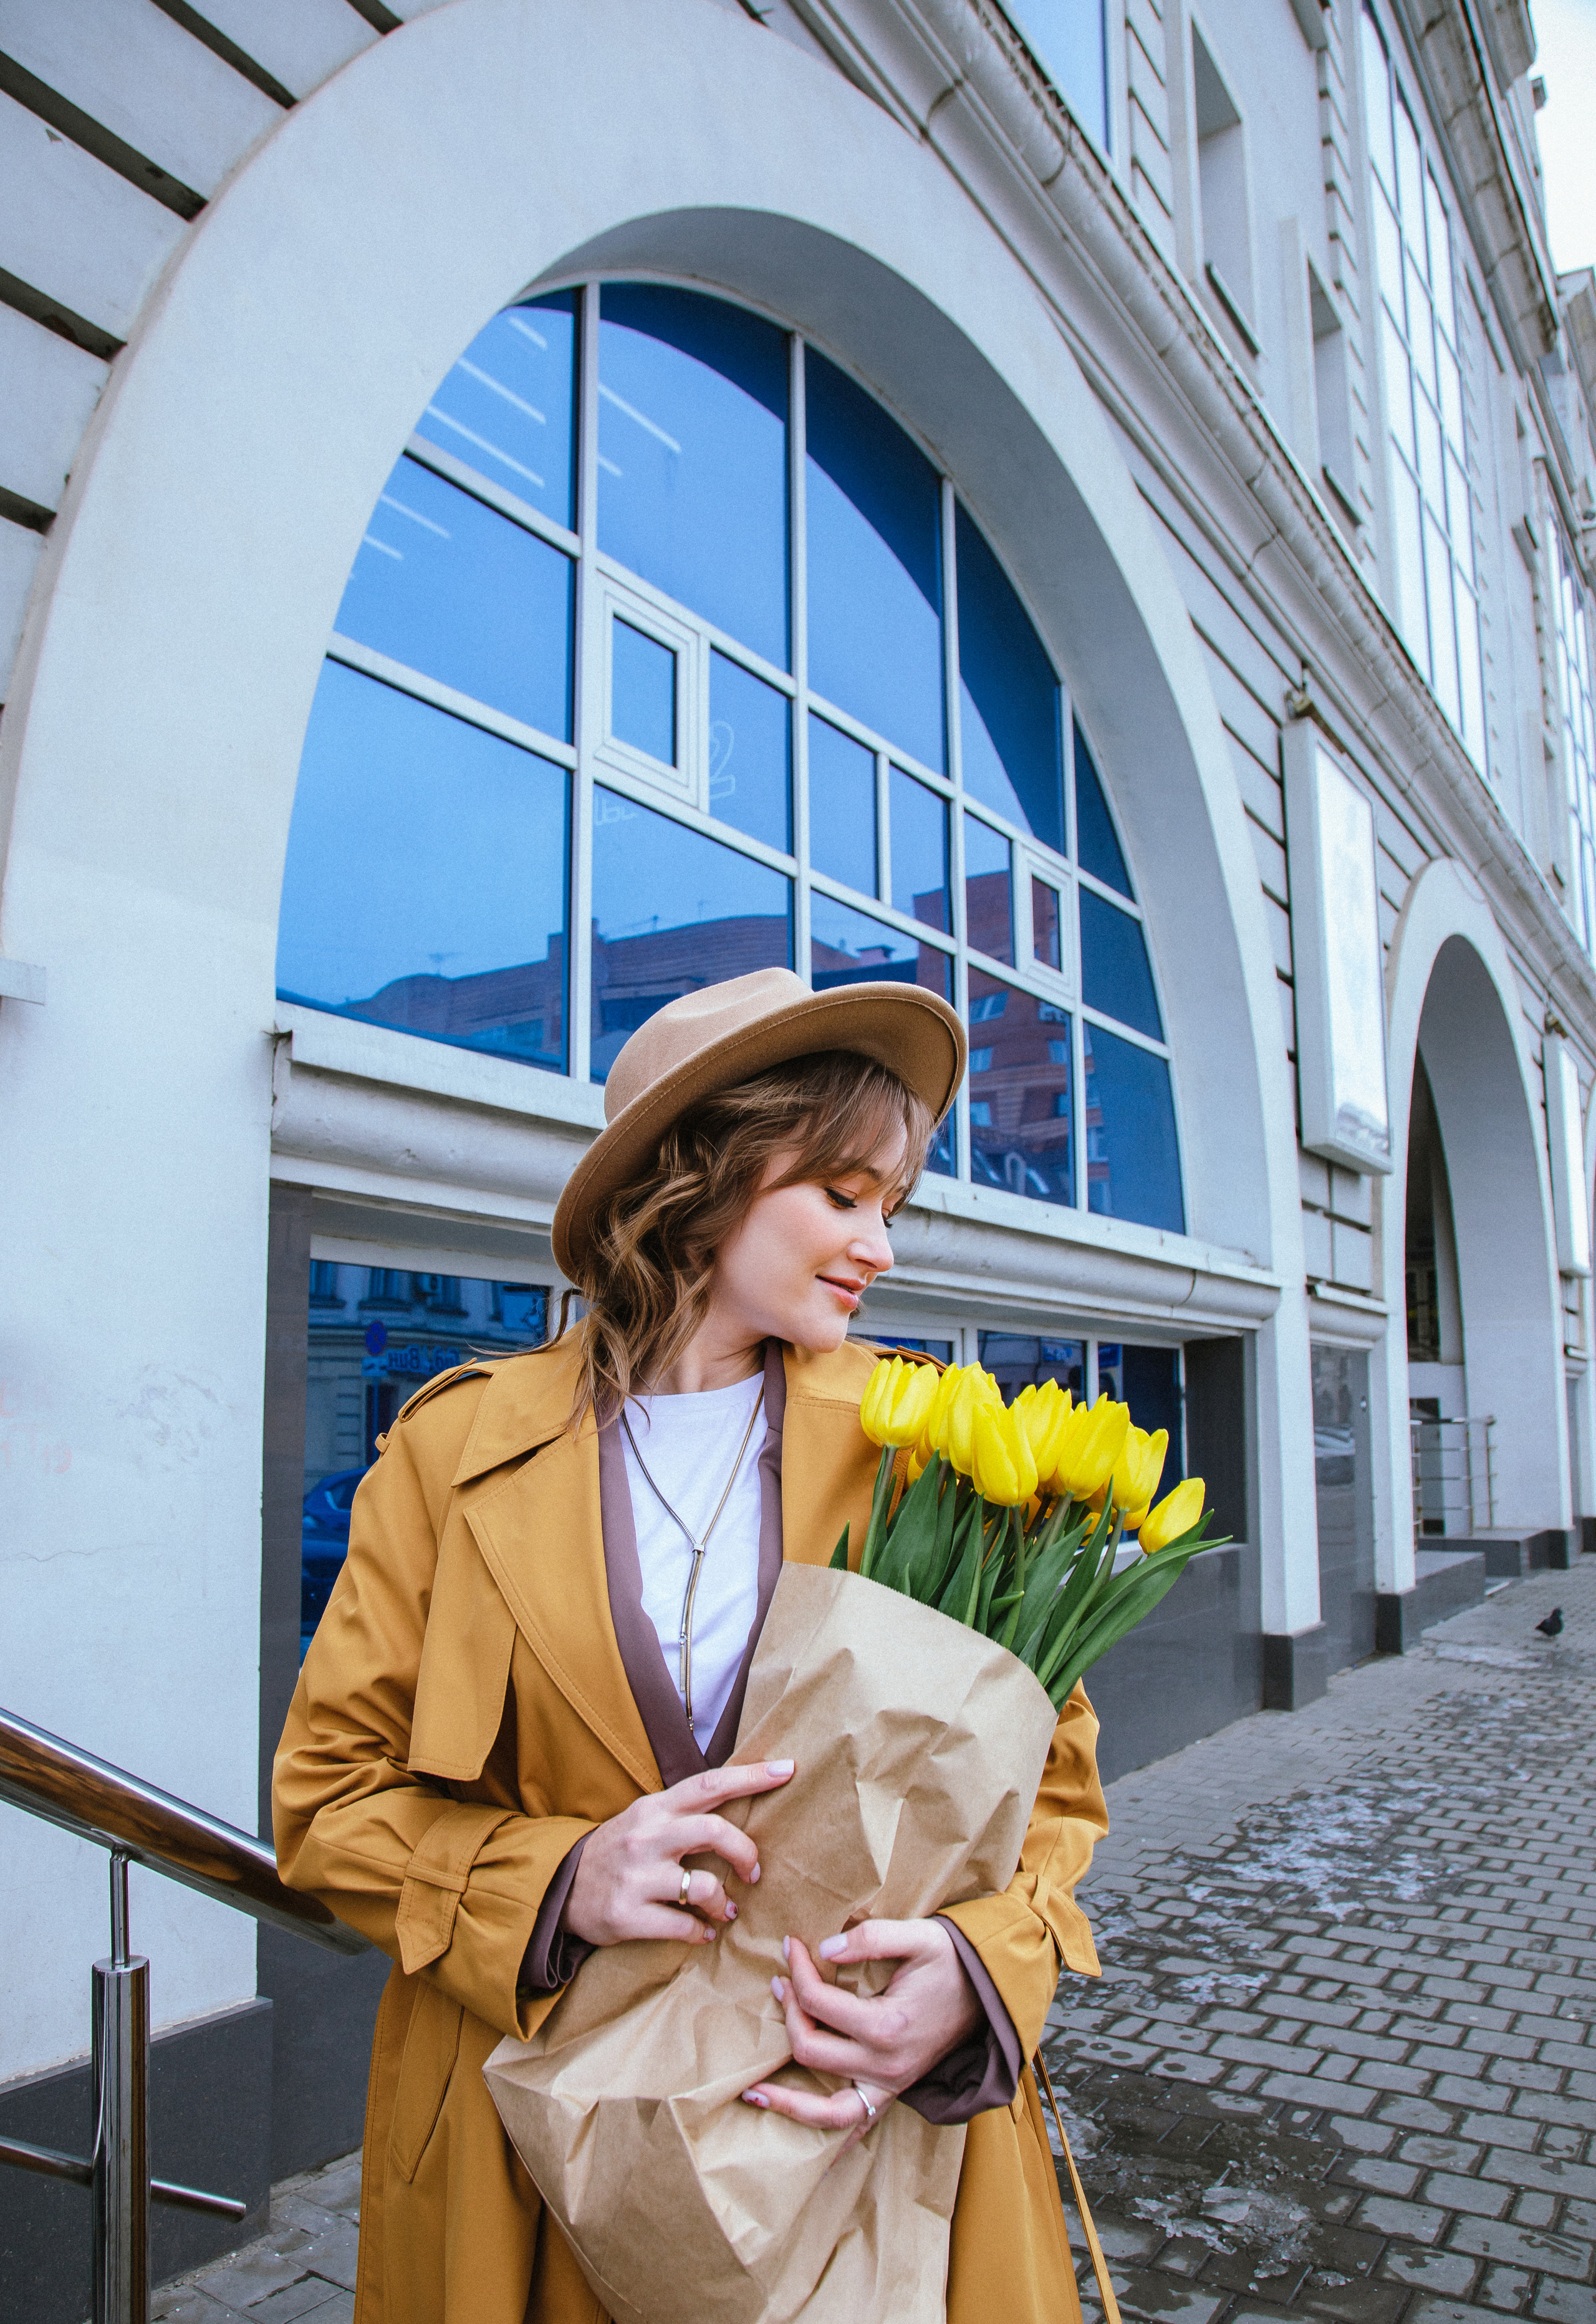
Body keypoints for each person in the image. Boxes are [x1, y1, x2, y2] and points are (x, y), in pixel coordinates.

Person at [274, 966, 1108, 2324]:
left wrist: (974, 1975)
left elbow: (1054, 1795)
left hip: (860, 2140)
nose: (881, 1247)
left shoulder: (935, 1446)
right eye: (841, 1194)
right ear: (701, 1177)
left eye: (890, 1207)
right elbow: (326, 1803)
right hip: (534, 2156)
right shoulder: (452, 1448)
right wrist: (557, 1880)